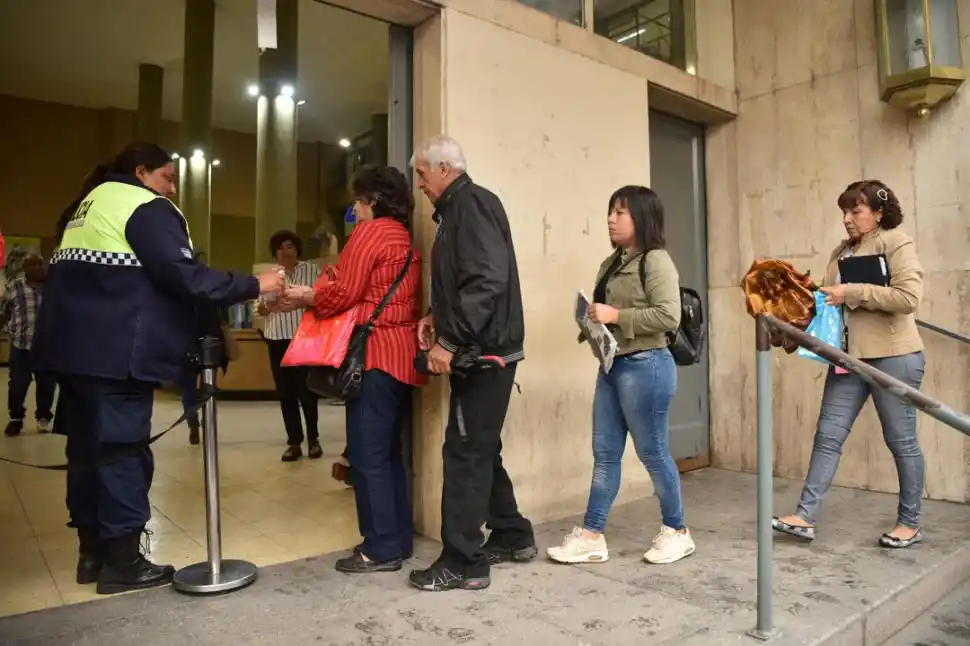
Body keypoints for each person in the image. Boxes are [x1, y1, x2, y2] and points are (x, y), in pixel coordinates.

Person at [31, 142, 283, 595]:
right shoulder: (143, 205)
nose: (172, 189)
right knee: (123, 451)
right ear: (142, 172)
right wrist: (253, 284)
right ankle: (124, 561)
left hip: (71, 355)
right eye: (168, 178)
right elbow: (183, 276)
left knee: (87, 453)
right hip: (116, 355)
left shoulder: (86, 207)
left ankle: (92, 555)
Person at [279, 164, 424, 573]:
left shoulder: (371, 232)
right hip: (402, 355)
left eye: (358, 202)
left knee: (367, 453)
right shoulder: (402, 235)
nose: (355, 210)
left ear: (373, 201)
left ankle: (379, 548)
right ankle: (398, 539)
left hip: (374, 354)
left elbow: (343, 291)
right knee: (389, 453)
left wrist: (312, 294)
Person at [406, 135, 535, 592]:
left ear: (444, 168)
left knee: (464, 452)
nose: (418, 183)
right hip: (481, 349)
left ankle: (464, 562)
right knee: (481, 447)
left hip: (483, 353)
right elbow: (466, 280)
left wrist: (450, 340)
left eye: (421, 173)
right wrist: (435, 317)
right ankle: (513, 534)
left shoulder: (472, 205)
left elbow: (486, 280)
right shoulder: (461, 209)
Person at [546, 186, 696, 566]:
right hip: (612, 365)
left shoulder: (656, 261)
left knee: (653, 452)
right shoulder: (612, 262)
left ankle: (677, 531)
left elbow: (668, 316)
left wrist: (616, 316)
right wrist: (591, 320)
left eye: (621, 213)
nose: (611, 219)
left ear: (642, 218)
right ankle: (592, 535)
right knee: (606, 454)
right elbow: (607, 311)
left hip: (647, 366)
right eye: (610, 211)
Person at [773, 180, 927, 549]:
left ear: (878, 212)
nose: (847, 219)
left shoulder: (896, 241)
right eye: (844, 211)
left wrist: (850, 293)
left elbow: (908, 297)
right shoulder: (842, 251)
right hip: (847, 358)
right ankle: (805, 516)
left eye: (855, 211)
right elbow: (829, 307)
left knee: (901, 441)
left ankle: (910, 522)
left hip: (894, 357)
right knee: (828, 436)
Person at [258, 230, 322, 462]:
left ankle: (314, 440)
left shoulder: (312, 272)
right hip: (277, 339)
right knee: (286, 393)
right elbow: (260, 310)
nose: (285, 252)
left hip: (304, 338)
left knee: (308, 392)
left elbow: (322, 301)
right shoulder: (269, 275)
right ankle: (294, 442)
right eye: (280, 248)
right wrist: (269, 303)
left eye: (289, 247)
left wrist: (301, 301)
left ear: (297, 250)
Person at [1, 253, 57, 436]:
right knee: (17, 384)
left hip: (47, 346)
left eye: (39, 264)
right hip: (21, 345)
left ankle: (43, 417)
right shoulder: (14, 286)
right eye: (31, 265)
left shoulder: (53, 287)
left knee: (46, 384)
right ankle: (16, 419)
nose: (37, 268)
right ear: (25, 268)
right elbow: (3, 312)